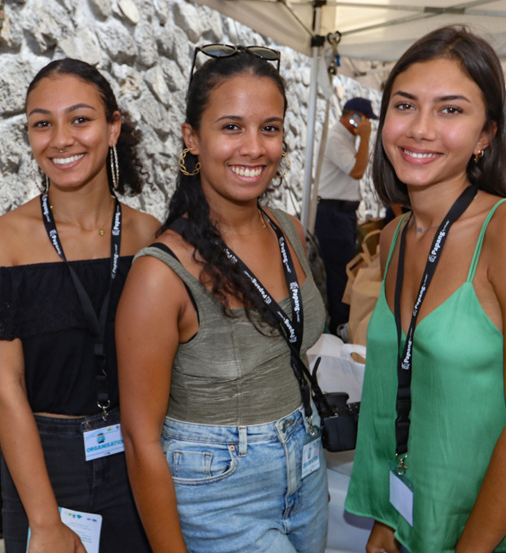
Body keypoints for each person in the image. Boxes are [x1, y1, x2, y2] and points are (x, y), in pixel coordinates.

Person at [344, 25, 506, 553]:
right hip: (425, 522)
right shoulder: (393, 238)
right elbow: (402, 396)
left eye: (451, 110)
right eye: (405, 105)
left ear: (486, 135)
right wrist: (391, 517)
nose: (421, 129)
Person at [116, 46, 328, 553]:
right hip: (219, 493)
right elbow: (140, 440)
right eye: (231, 127)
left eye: (269, 128)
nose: (254, 147)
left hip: (309, 468)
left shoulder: (291, 232)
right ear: (193, 137)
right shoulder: (160, 275)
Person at [0, 59, 159, 553]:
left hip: (140, 456)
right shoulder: (2, 242)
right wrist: (45, 521)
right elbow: (5, 389)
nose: (60, 138)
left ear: (113, 127)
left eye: (80, 119)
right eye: (41, 123)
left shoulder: (150, 236)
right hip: (42, 466)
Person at [314, 97, 378, 336]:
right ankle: (340, 324)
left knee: (346, 267)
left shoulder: (347, 138)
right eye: (366, 120)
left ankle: (342, 320)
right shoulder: (336, 138)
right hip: (332, 212)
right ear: (354, 116)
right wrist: (365, 137)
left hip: (343, 212)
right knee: (340, 270)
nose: (368, 125)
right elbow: (357, 171)